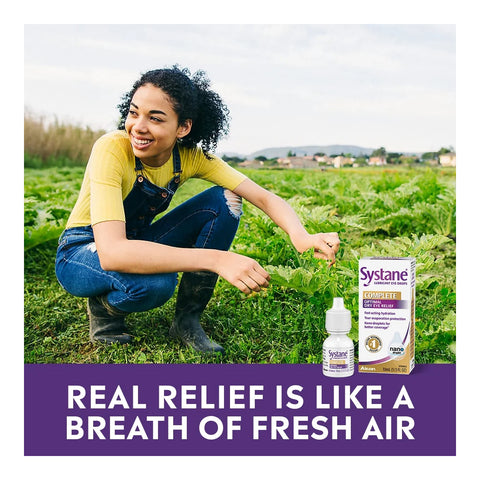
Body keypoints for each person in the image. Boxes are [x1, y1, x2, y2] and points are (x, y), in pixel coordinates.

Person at [55, 65, 340, 354]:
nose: (138, 126)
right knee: (157, 285)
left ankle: (187, 320)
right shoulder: (112, 148)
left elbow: (263, 197)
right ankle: (104, 309)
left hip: (135, 242)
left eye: (155, 118)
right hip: (82, 252)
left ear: (183, 127)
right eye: (133, 112)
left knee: (223, 201)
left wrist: (302, 236)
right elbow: (113, 251)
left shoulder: (191, 157)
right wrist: (217, 260)